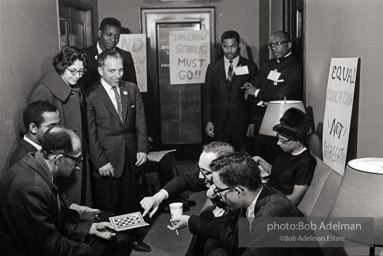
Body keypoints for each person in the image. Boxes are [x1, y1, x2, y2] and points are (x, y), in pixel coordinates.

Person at [0, 126, 131, 256]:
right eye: (77, 159)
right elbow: (50, 248)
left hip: (45, 240)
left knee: (119, 241)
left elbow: (55, 218)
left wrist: (90, 228)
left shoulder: (38, 164)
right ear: (58, 159)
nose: (78, 165)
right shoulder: (32, 188)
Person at [170, 152, 322, 256]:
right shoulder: (253, 198)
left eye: (218, 189)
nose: (214, 192)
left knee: (214, 249)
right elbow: (238, 244)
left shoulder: (272, 214)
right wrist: (220, 208)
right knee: (210, 238)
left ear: (238, 191)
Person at [84, 49, 150, 252]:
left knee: (130, 200)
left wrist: (142, 148)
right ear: (100, 70)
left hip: (130, 156)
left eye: (120, 70)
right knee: (109, 203)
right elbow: (91, 134)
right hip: (106, 159)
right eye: (112, 70)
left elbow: (140, 121)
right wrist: (100, 161)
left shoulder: (131, 89)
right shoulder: (90, 96)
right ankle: (113, 241)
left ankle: (131, 238)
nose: (117, 75)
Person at [28, 45, 91, 206]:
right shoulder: (44, 91)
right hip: (59, 159)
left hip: (73, 155)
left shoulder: (73, 86)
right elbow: (35, 127)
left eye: (81, 71)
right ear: (62, 66)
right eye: (72, 71)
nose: (77, 76)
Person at [242, 31, 303, 162]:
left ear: (289, 45)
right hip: (262, 121)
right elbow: (250, 87)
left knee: (277, 159)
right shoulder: (267, 65)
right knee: (262, 158)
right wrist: (262, 101)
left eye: (278, 44)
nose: (274, 48)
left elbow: (282, 92)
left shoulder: (295, 67)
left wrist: (258, 92)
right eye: (271, 45)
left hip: (281, 122)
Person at [140, 141, 234, 218]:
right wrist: (157, 197)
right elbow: (183, 181)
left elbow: (242, 238)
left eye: (205, 172)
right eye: (199, 168)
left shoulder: (242, 191)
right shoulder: (207, 176)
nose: (200, 176)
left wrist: (190, 222)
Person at [202, 30, 258, 152]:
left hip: (241, 123)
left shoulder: (250, 67)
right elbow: (207, 96)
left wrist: (253, 122)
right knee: (220, 156)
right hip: (219, 123)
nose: (229, 50)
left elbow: (254, 99)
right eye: (225, 46)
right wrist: (208, 120)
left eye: (232, 46)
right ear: (222, 46)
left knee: (241, 157)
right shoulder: (213, 67)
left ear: (238, 46)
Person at [253, 107, 316, 205]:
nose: (278, 143)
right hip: (270, 194)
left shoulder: (306, 162)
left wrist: (265, 203)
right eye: (278, 138)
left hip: (280, 204)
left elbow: (295, 198)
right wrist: (259, 159)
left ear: (298, 139)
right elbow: (276, 172)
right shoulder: (287, 152)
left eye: (283, 140)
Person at [80, 17, 137, 91]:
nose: (113, 40)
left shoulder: (126, 56)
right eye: (109, 35)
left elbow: (132, 87)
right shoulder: (85, 54)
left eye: (117, 37)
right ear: (100, 33)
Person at [9, 101, 60, 167]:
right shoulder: (24, 160)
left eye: (58, 124)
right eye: (52, 126)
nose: (58, 130)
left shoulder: (46, 147)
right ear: (33, 128)